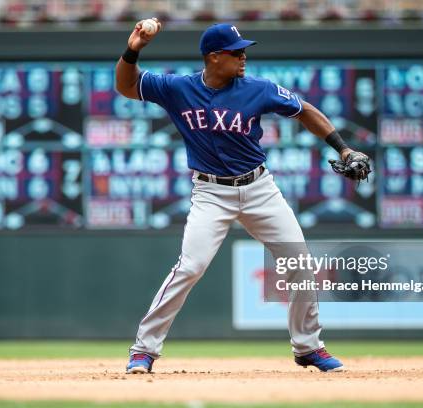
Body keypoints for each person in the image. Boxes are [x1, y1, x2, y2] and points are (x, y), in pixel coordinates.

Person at [116, 19, 370, 374]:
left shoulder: (258, 89)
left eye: (244, 51)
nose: (244, 57)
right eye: (237, 52)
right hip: (210, 193)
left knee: (299, 262)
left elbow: (306, 111)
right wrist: (134, 48)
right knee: (190, 267)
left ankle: (309, 347)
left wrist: (343, 150)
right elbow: (127, 86)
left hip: (259, 190)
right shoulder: (178, 88)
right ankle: (144, 350)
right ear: (215, 57)